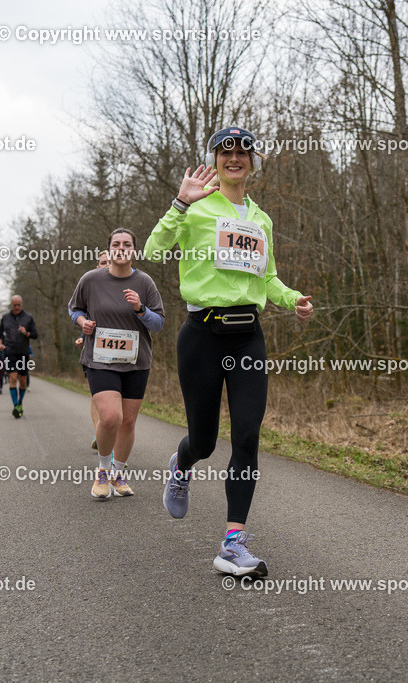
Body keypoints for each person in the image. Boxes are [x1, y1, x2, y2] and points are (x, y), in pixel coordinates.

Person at [144, 126, 313, 577]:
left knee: (247, 436)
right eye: (225, 151)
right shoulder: (197, 208)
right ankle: (181, 465)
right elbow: (154, 249)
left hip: (247, 335)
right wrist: (180, 203)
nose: (234, 157)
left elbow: (268, 278)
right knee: (203, 440)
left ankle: (233, 543)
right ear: (215, 160)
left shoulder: (261, 220)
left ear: (253, 162)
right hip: (202, 334)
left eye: (242, 151)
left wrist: (291, 298)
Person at [69, 230, 164, 499]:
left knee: (128, 422)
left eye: (127, 244)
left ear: (134, 249)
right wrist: (82, 322)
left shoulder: (144, 282)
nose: (121, 248)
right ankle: (102, 472)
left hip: (136, 361)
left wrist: (140, 309)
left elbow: (158, 323)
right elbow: (74, 308)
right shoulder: (91, 279)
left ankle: (118, 473)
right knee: (111, 417)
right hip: (100, 359)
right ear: (108, 249)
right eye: (115, 244)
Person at [75, 250, 111, 450]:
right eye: (102, 262)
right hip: (95, 351)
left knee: (119, 399)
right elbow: (80, 313)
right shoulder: (90, 286)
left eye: (109, 261)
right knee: (98, 395)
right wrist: (83, 335)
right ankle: (102, 432)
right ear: (97, 266)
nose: (106, 264)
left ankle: (109, 431)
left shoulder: (129, 285)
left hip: (124, 354)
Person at [0, 295, 38, 418]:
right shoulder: (5, 318)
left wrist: (27, 333)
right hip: (10, 352)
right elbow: (0, 334)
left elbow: (35, 335)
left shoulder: (28, 317)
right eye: (14, 305)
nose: (16, 307)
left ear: (22, 304)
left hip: (23, 353)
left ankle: (20, 403)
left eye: (18, 305)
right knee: (13, 378)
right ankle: (16, 405)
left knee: (23, 381)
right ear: (11, 305)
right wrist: (0, 344)